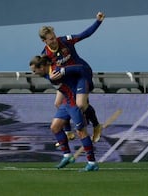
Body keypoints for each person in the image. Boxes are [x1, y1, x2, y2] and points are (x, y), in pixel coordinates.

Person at [39, 11, 105, 143]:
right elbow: (44, 71)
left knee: (81, 104)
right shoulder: (45, 55)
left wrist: (98, 21)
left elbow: (84, 35)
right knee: (58, 103)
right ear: (44, 41)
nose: (54, 40)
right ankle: (68, 132)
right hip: (67, 79)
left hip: (81, 74)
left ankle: (97, 126)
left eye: (54, 36)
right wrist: (50, 75)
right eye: (51, 39)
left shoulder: (65, 41)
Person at [29, 55, 99, 171]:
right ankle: (67, 155)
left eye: (34, 70)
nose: (34, 73)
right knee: (55, 127)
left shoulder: (56, 71)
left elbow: (79, 69)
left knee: (81, 132)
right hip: (66, 101)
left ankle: (92, 163)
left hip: (73, 103)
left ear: (41, 67)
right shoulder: (49, 73)